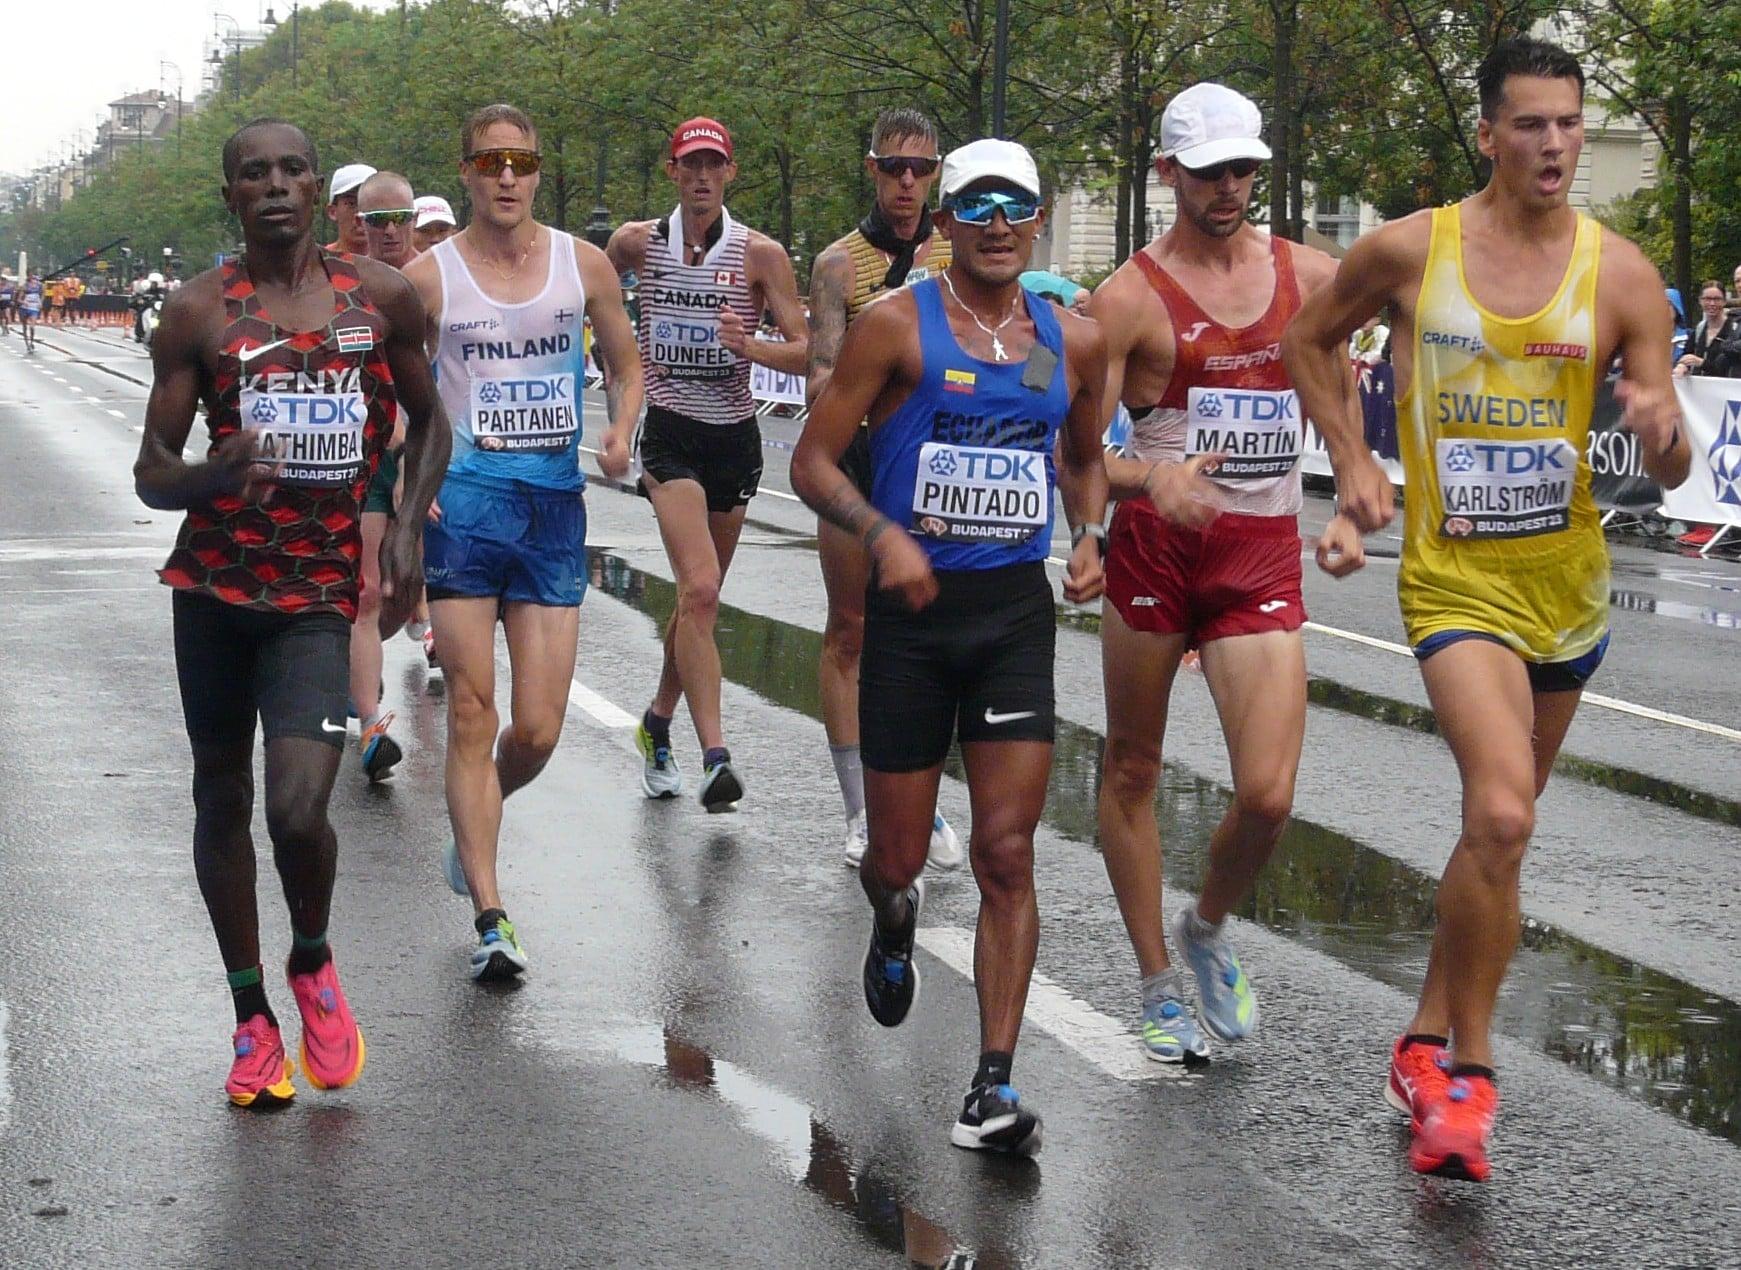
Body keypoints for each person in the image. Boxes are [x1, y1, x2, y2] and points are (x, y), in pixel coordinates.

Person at [1283, 39, 1689, 1180]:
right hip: (1452, 579)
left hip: (1567, 587)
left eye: (1567, 123)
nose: (1554, 144)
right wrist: (1351, 459)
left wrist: (1662, 431)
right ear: (1488, 135)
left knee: (1492, 836)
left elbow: (1668, 463)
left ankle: (1418, 1039)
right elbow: (1305, 339)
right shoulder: (1413, 249)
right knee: (1503, 815)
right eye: (1530, 125)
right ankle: (1467, 1073)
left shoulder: (1620, 277)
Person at [792, 138, 1109, 1157]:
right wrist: (881, 535)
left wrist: (1090, 534)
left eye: (1017, 204)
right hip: (912, 624)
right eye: (977, 204)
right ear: (945, 222)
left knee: (1006, 851)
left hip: (1011, 617)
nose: (998, 222)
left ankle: (991, 1084)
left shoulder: (1071, 341)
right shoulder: (896, 327)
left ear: (1039, 217)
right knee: (893, 859)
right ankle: (893, 919)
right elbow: (811, 461)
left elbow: (1084, 459)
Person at [133, 118, 451, 1107]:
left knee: (299, 809)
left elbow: (430, 421)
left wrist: (406, 528)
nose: (273, 185)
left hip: (317, 596)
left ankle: (311, 956)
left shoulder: (380, 298)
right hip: (215, 593)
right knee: (222, 797)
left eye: (290, 170)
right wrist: (210, 473)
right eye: (252, 173)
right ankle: (251, 1018)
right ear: (230, 194)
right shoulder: (196, 311)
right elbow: (152, 472)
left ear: (318, 190)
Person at [1085, 82, 1350, 1066]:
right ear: (1167, 174)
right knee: (1132, 768)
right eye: (1207, 172)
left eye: (1242, 169)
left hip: (1257, 550)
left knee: (1269, 795)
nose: (1229, 187)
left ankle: (1203, 926)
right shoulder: (1127, 299)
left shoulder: (1311, 277)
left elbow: (1386, 346)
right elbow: (1076, 453)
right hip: (1155, 550)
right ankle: (1156, 984)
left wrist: (1355, 482)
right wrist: (1147, 476)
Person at [404, 103, 642, 980]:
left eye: (522, 161)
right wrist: (413, 477)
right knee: (473, 712)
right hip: (464, 511)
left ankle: (479, 813)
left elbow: (626, 364)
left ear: (539, 171)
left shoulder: (583, 265)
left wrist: (619, 428)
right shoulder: (428, 279)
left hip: (549, 513)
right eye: (489, 161)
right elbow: (388, 390)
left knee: (536, 730)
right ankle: (491, 914)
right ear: (466, 171)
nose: (507, 176)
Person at [608, 117, 808, 811]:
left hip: (733, 439)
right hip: (670, 435)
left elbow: (807, 351)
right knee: (698, 589)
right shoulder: (637, 242)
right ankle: (716, 757)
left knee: (700, 601)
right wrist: (619, 382)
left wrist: (750, 347)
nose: (700, 176)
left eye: (712, 165)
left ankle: (657, 723)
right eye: (689, 164)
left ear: (729, 173)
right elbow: (594, 299)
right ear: (672, 171)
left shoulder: (761, 254)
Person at [805, 107, 963, 870]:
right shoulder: (837, 264)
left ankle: (917, 799)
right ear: (870, 169)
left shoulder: (959, 246)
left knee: (930, 638)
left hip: (936, 467)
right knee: (850, 630)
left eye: (921, 169)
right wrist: (879, 367)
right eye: (893, 167)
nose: (907, 182)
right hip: (861, 462)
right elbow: (818, 380)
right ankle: (860, 809)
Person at [346, 170, 423, 780]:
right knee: (369, 592)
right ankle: (372, 724)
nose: (390, 232)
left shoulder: (437, 281)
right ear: (359, 224)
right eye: (378, 221)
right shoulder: (343, 285)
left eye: (400, 219)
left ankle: (353, 674)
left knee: (412, 594)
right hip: (369, 456)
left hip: (433, 454)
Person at [1675, 280, 1741, 378]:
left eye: (1717, 299)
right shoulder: (1699, 329)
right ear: (1700, 301)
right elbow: (1687, 354)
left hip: (1727, 386)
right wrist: (1682, 365)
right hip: (1699, 386)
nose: (1712, 303)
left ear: (1724, 301)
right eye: (1707, 299)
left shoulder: (1735, 329)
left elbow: (1728, 366)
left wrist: (1702, 363)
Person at [323, 163, 376, 255]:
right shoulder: (318, 261)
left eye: (369, 203)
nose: (360, 214)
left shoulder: (397, 261)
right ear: (333, 212)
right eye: (352, 204)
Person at [19, 274, 42, 350]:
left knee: (32, 327)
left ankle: (31, 342)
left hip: (34, 308)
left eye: (36, 280)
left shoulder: (39, 287)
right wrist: (24, 302)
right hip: (24, 308)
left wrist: (40, 303)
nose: (35, 281)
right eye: (33, 279)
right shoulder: (25, 287)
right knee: (24, 326)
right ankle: (27, 344)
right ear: (30, 281)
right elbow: (19, 299)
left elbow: (41, 296)